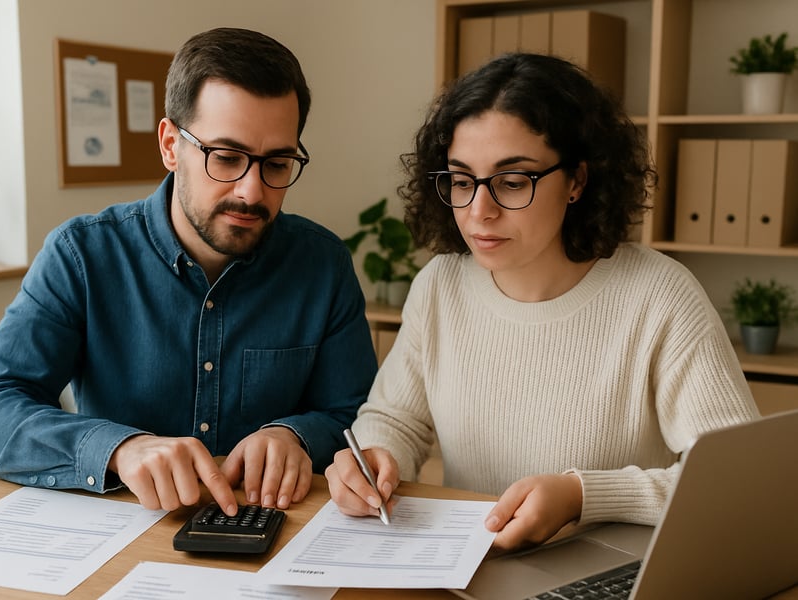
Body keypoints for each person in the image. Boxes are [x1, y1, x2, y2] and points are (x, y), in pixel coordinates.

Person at [325, 52, 759, 552]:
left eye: (512, 182)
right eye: (462, 181)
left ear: (577, 180)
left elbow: (734, 482)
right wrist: (375, 457)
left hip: (608, 575)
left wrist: (582, 495)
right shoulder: (440, 285)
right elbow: (398, 417)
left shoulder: (660, 296)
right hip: (471, 565)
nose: (479, 211)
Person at [0, 27, 378, 516]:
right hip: (122, 537)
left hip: (276, 535)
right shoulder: (82, 255)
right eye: (226, 158)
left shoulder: (321, 264)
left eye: (277, 164)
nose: (252, 192)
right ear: (170, 145)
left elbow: (359, 416)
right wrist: (118, 449)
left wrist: (296, 435)